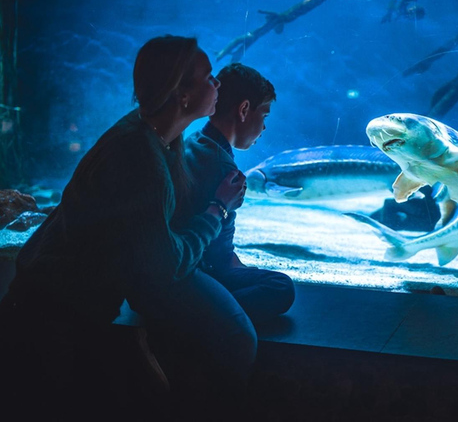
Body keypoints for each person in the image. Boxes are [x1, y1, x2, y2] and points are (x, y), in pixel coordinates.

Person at [0, 36, 255, 417]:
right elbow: (164, 267)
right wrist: (217, 209)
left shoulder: (153, 135)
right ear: (181, 95)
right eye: (208, 77)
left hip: (62, 308)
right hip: (48, 321)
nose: (217, 84)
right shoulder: (141, 158)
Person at [184, 63, 294, 326]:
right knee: (281, 287)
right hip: (196, 273)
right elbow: (219, 255)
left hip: (186, 264)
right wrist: (241, 271)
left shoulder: (194, 142)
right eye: (264, 116)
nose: (265, 127)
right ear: (244, 109)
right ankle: (200, 316)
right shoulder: (223, 167)